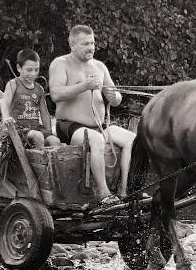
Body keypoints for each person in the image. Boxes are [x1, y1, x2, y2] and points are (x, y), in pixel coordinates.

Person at [49, 25, 135, 203]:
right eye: (85, 44)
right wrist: (84, 86)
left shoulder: (99, 66)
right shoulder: (61, 64)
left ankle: (125, 190)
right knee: (96, 140)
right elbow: (56, 94)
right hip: (70, 126)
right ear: (72, 44)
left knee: (132, 140)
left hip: (99, 126)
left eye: (93, 43)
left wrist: (114, 97)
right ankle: (104, 193)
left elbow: (116, 97)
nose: (91, 47)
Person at [0, 49, 60, 150]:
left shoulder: (39, 89)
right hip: (19, 129)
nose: (33, 74)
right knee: (38, 136)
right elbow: (5, 104)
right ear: (19, 68)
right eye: (29, 70)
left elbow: (44, 113)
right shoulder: (13, 84)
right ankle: (40, 159)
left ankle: (52, 160)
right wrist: (6, 119)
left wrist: (48, 132)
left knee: (55, 141)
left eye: (36, 70)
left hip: (35, 128)